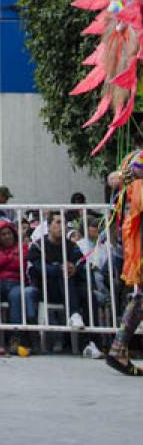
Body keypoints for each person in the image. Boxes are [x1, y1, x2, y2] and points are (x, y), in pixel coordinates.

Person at [105, 148, 143, 376]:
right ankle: (118, 348)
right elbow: (114, 178)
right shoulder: (137, 157)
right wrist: (131, 174)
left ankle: (118, 348)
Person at [0, 219, 39, 353]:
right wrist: (11, 257)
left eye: (9, 233)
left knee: (16, 295)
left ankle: (15, 339)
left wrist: (3, 259)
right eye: (3, 234)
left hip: (17, 283)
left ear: (14, 234)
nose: (7, 236)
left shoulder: (23, 247)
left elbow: (21, 264)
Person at [27, 212, 88, 330]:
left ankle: (89, 341)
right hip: (47, 290)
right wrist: (59, 268)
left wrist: (74, 268)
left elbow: (81, 262)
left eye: (64, 223)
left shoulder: (71, 245)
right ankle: (74, 314)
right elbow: (39, 267)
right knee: (63, 273)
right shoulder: (38, 246)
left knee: (89, 296)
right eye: (58, 222)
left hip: (71, 289)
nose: (62, 226)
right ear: (49, 226)